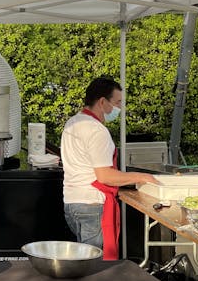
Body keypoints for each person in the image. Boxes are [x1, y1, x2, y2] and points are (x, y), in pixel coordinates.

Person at [60, 76, 159, 259]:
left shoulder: (72, 123)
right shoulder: (96, 131)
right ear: (103, 102)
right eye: (118, 102)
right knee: (95, 264)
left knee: (83, 259)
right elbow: (105, 176)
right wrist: (142, 177)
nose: (119, 108)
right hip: (92, 204)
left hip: (72, 202)